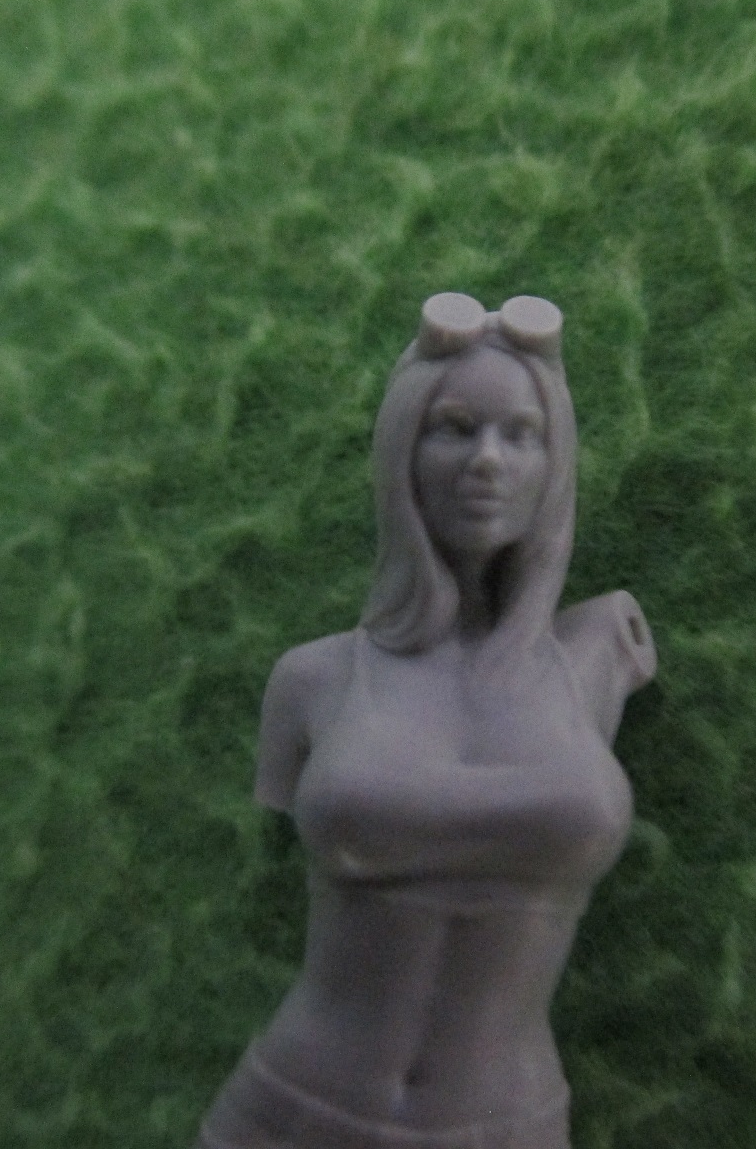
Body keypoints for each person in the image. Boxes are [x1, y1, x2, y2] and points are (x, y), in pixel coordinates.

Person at [197, 293, 657, 1149]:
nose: (487, 461)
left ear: (554, 462)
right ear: (402, 451)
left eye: (521, 434)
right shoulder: (314, 679)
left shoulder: (596, 657)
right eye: (454, 429)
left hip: (506, 1122)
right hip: (293, 1110)